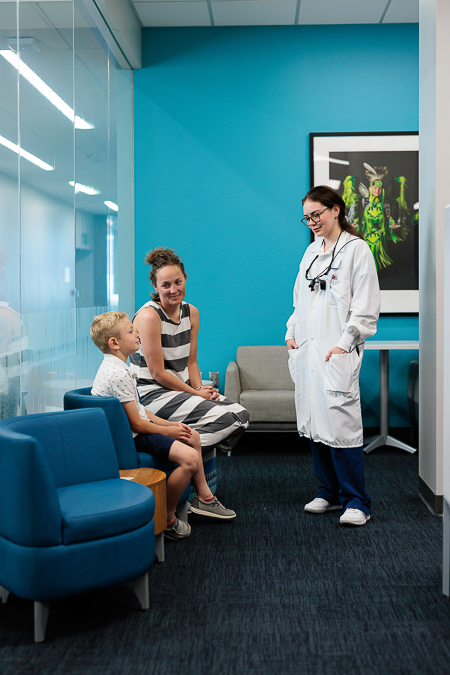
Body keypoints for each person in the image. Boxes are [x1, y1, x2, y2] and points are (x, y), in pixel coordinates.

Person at [90, 312, 235, 543]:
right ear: (114, 343)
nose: (137, 334)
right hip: (134, 437)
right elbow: (137, 423)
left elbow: (138, 410)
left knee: (193, 436)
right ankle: (166, 518)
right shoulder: (119, 374)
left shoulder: (115, 368)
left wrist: (169, 424)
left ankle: (204, 499)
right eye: (130, 331)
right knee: (189, 459)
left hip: (137, 430)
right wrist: (168, 432)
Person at [285, 186, 380, 526]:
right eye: (307, 217)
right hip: (309, 353)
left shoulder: (357, 250)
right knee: (315, 424)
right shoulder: (311, 252)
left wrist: (345, 342)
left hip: (336, 352)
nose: (312, 222)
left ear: (336, 210)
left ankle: (357, 501)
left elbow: (366, 307)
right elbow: (300, 300)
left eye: (317, 214)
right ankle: (327, 492)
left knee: (341, 426)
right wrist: (291, 333)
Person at [130, 247, 249, 518]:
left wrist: (199, 390)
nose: (173, 289)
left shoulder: (191, 312)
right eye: (166, 285)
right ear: (155, 287)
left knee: (239, 415)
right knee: (224, 417)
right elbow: (158, 374)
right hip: (151, 395)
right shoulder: (148, 316)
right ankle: (201, 489)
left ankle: (187, 446)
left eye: (178, 282)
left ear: (185, 280)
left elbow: (191, 362)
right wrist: (197, 395)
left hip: (180, 390)